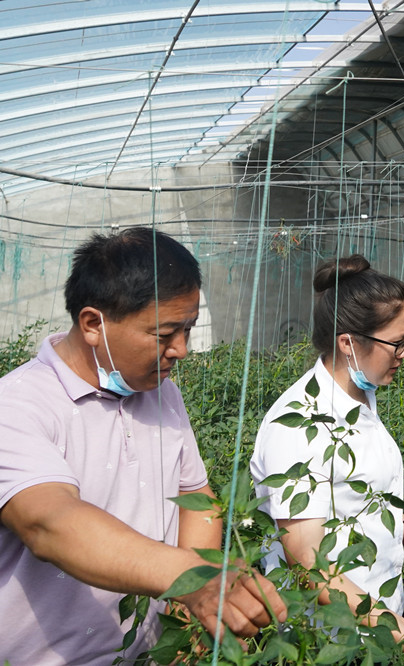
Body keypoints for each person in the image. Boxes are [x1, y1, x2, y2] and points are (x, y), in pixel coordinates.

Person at [0, 228, 286, 666]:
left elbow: (195, 497)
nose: (182, 350)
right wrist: (192, 578)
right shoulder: (17, 406)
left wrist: (186, 612)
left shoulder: (159, 391)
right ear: (93, 324)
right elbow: (48, 521)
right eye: (165, 333)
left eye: (187, 329)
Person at [251, 255, 404, 659]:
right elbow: (306, 566)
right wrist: (395, 628)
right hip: (327, 639)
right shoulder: (297, 426)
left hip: (372, 621)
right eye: (398, 342)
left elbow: (359, 484)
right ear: (349, 343)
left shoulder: (360, 395)